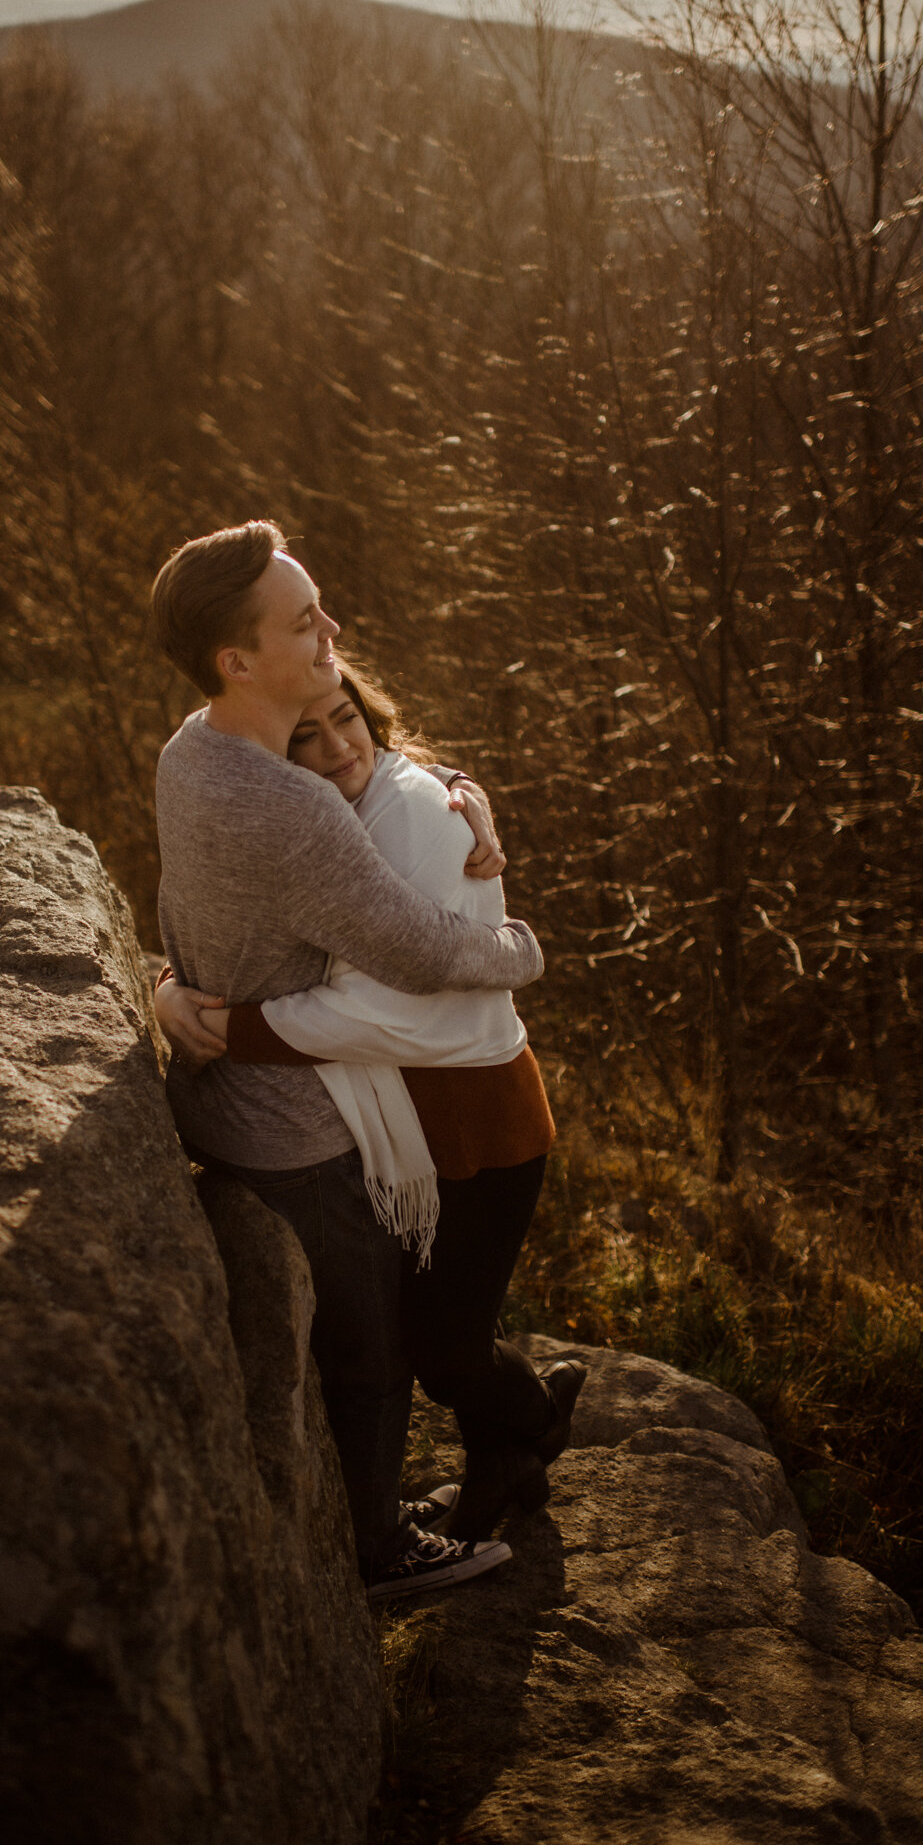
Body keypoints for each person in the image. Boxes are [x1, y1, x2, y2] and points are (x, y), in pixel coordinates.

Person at [150, 519, 546, 1600]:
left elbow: (194, 905)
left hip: (234, 1096)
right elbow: (419, 954)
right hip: (300, 1126)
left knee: (373, 1334)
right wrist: (518, 949)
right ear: (239, 660)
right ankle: (378, 1552)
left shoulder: (191, 748)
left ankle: (378, 1503)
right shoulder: (292, 807)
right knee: (371, 1357)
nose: (330, 627)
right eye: (301, 619)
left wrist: (165, 987)